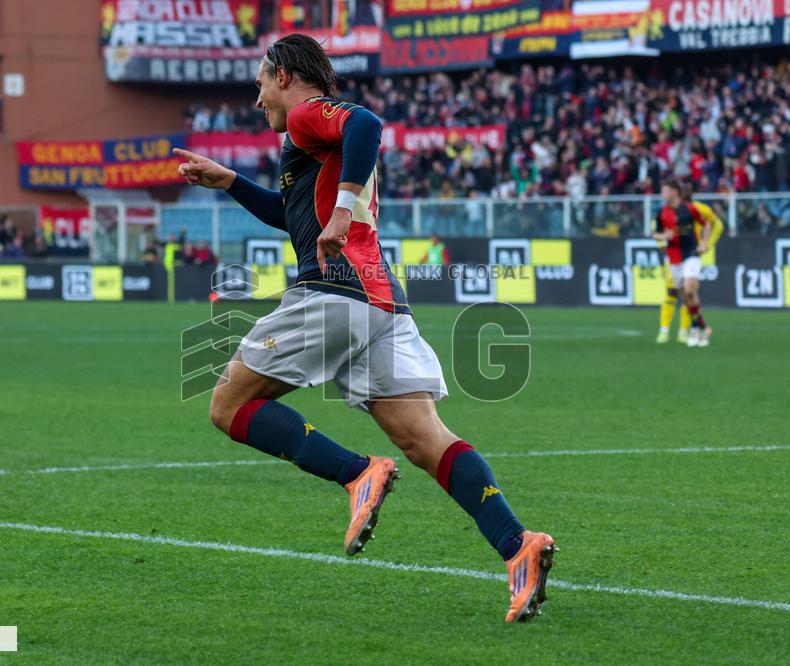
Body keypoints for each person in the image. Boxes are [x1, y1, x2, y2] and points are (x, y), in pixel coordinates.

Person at [174, 34, 556, 624]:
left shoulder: (307, 114)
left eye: (259, 85)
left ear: (281, 75)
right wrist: (228, 181)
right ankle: (517, 546)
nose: (257, 101)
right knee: (427, 441)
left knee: (227, 405)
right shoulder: (307, 139)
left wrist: (346, 207)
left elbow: (369, 125)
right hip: (380, 303)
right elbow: (289, 213)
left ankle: (357, 473)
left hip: (333, 289)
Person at [656, 185, 725, 344]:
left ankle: (680, 331)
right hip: (674, 256)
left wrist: (706, 245)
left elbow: (715, 225)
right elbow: (658, 230)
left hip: (690, 254)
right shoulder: (666, 210)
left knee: (686, 291)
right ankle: (690, 328)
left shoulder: (697, 208)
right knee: (681, 293)